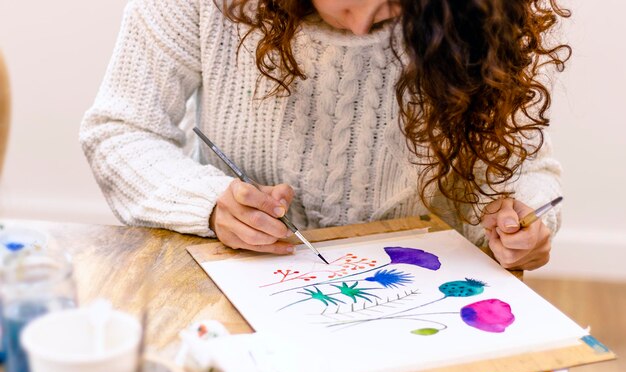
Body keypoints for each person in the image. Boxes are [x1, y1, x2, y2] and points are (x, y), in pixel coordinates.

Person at [80, 0, 570, 271]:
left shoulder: (472, 12)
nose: (361, 27)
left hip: (416, 280)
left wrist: (522, 219)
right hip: (235, 274)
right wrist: (210, 203)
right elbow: (120, 130)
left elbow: (526, 166)